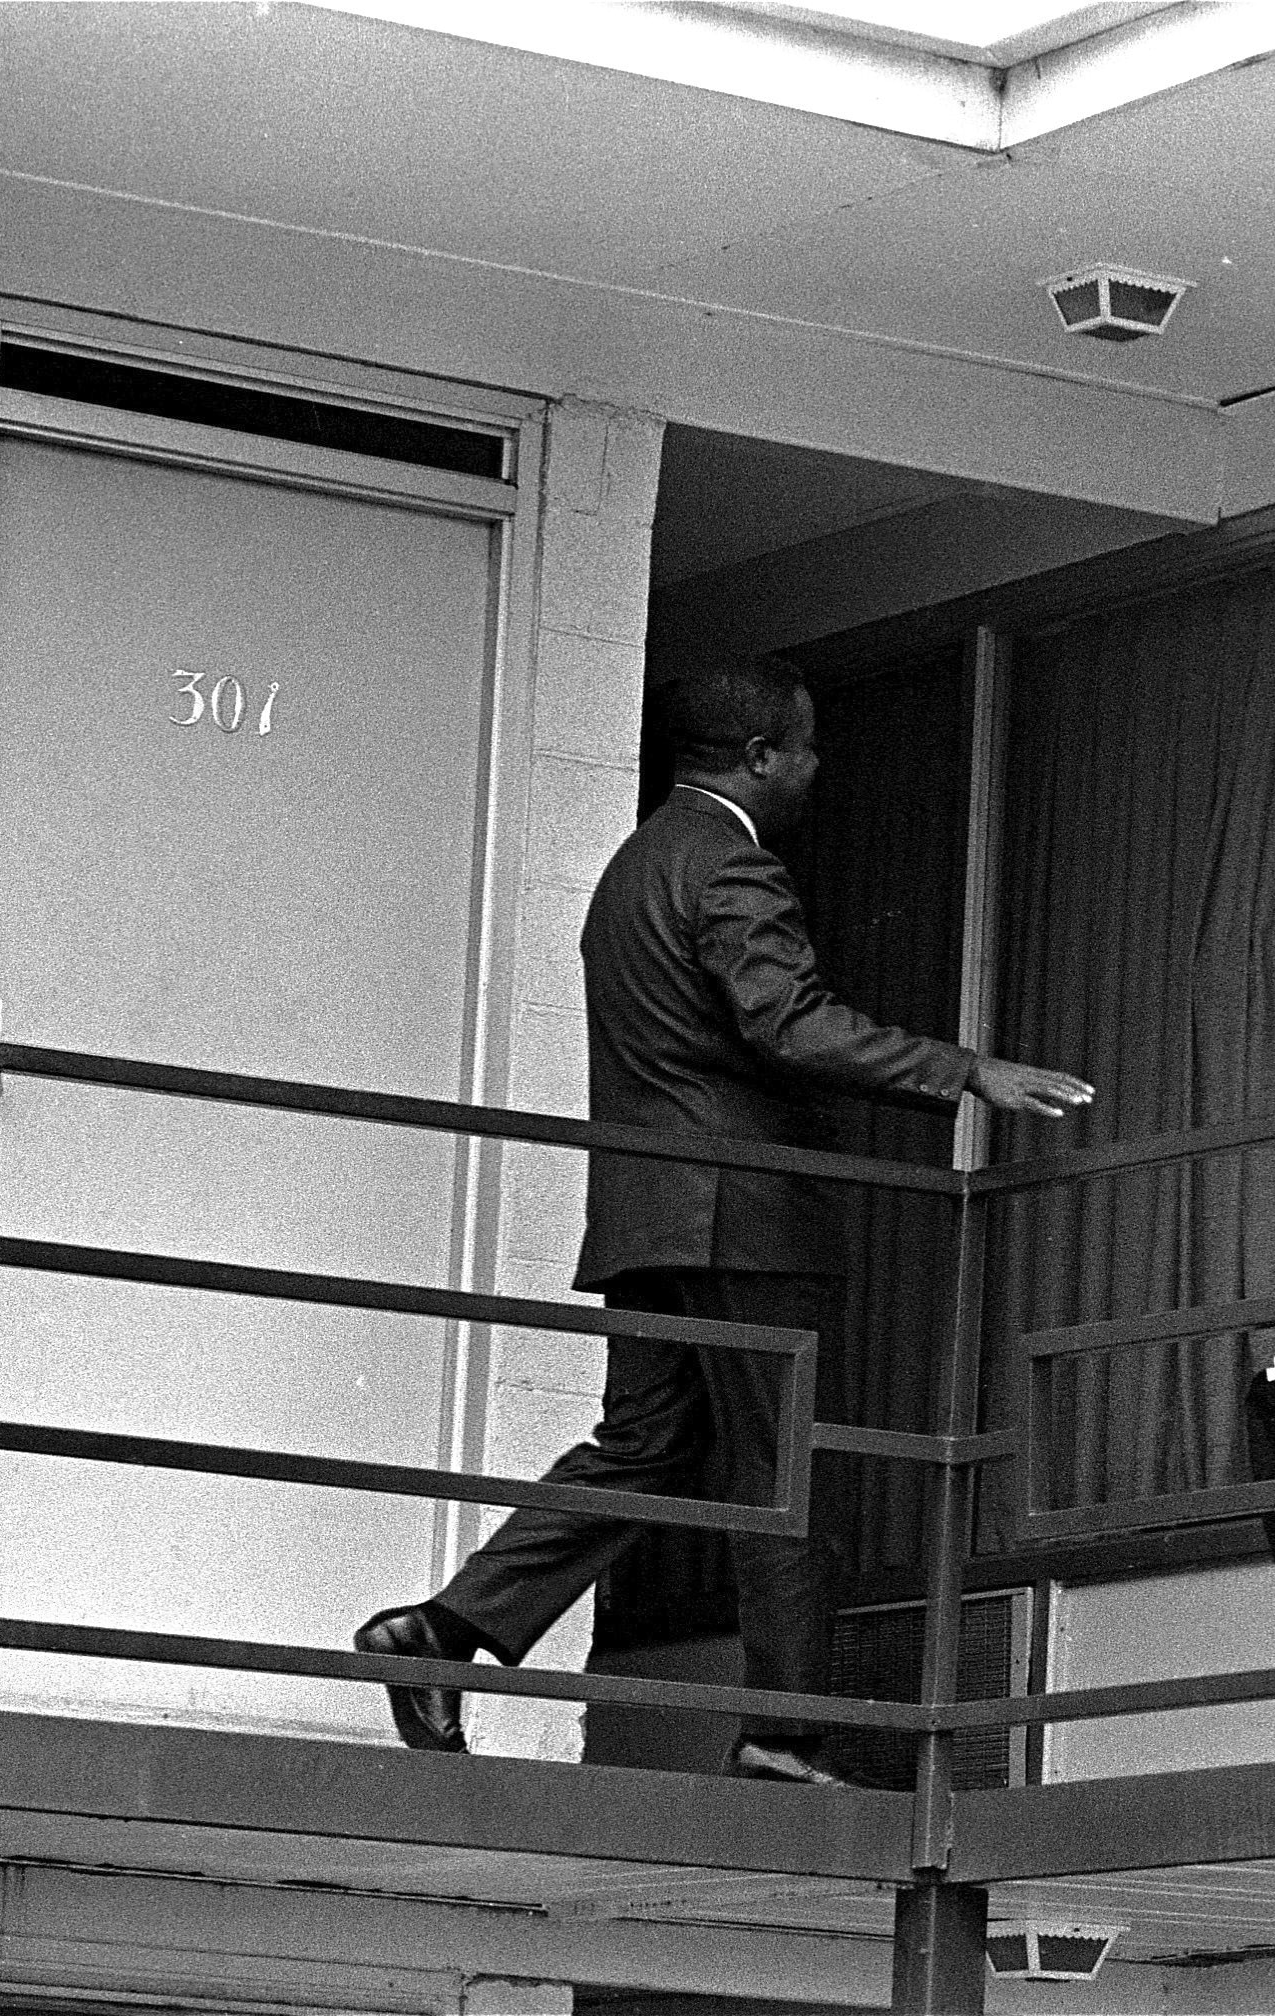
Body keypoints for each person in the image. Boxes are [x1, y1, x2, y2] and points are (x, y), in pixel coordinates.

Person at [356, 658, 1093, 1785]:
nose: (814, 769)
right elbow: (788, 1024)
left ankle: (443, 1634)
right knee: (781, 1467)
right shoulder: (733, 863)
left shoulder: (632, 867)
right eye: (804, 749)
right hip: (744, 1219)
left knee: (644, 1448)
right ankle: (781, 1735)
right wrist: (966, 1070)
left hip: (651, 1218)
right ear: (758, 757)